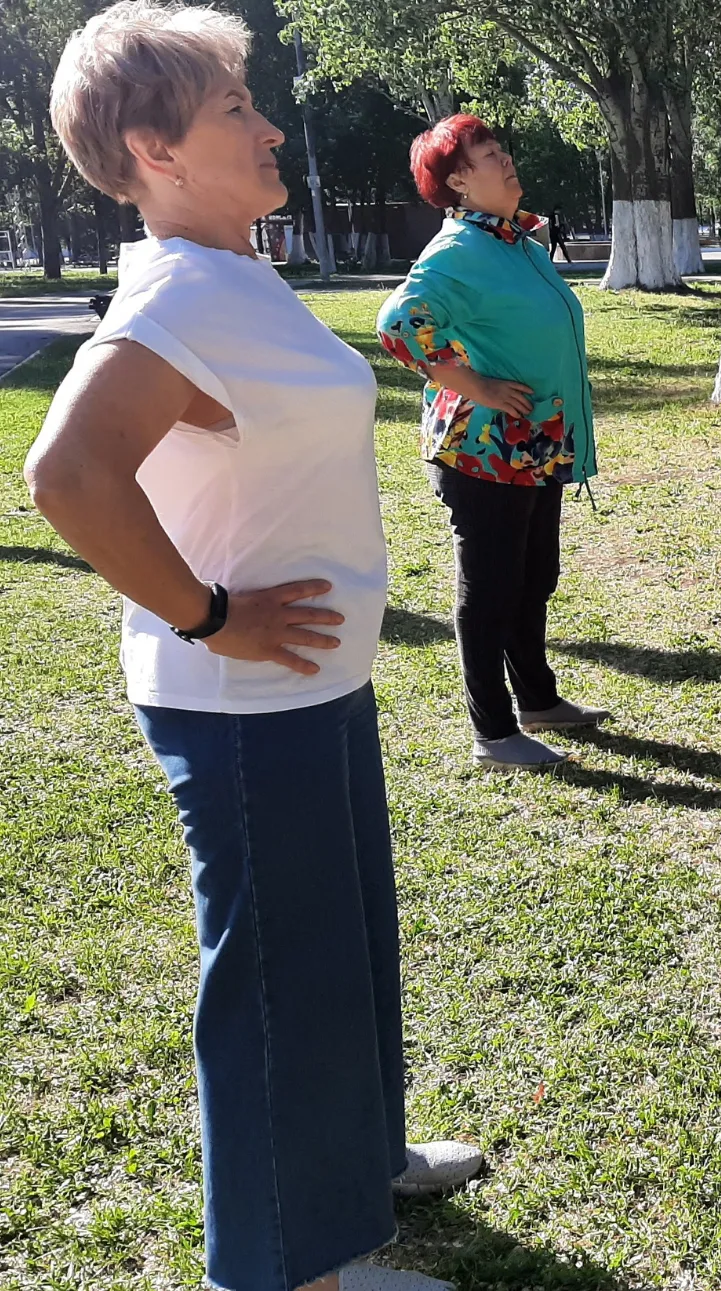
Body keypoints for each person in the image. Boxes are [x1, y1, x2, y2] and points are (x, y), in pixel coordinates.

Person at [28, 5, 479, 1290]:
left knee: (345, 948)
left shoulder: (237, 277)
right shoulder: (178, 297)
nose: (270, 124)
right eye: (236, 108)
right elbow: (66, 477)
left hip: (314, 684)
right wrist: (214, 615)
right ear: (151, 146)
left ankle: (360, 1160)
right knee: (280, 984)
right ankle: (287, 1269)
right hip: (241, 700)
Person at [377, 114, 607, 768]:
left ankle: (537, 699)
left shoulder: (517, 242)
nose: (505, 160)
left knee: (534, 577)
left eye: (502, 149)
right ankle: (494, 732)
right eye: (488, 154)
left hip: (538, 440)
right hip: (483, 449)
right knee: (490, 589)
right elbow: (399, 324)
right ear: (457, 180)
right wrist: (472, 384)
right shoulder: (458, 251)